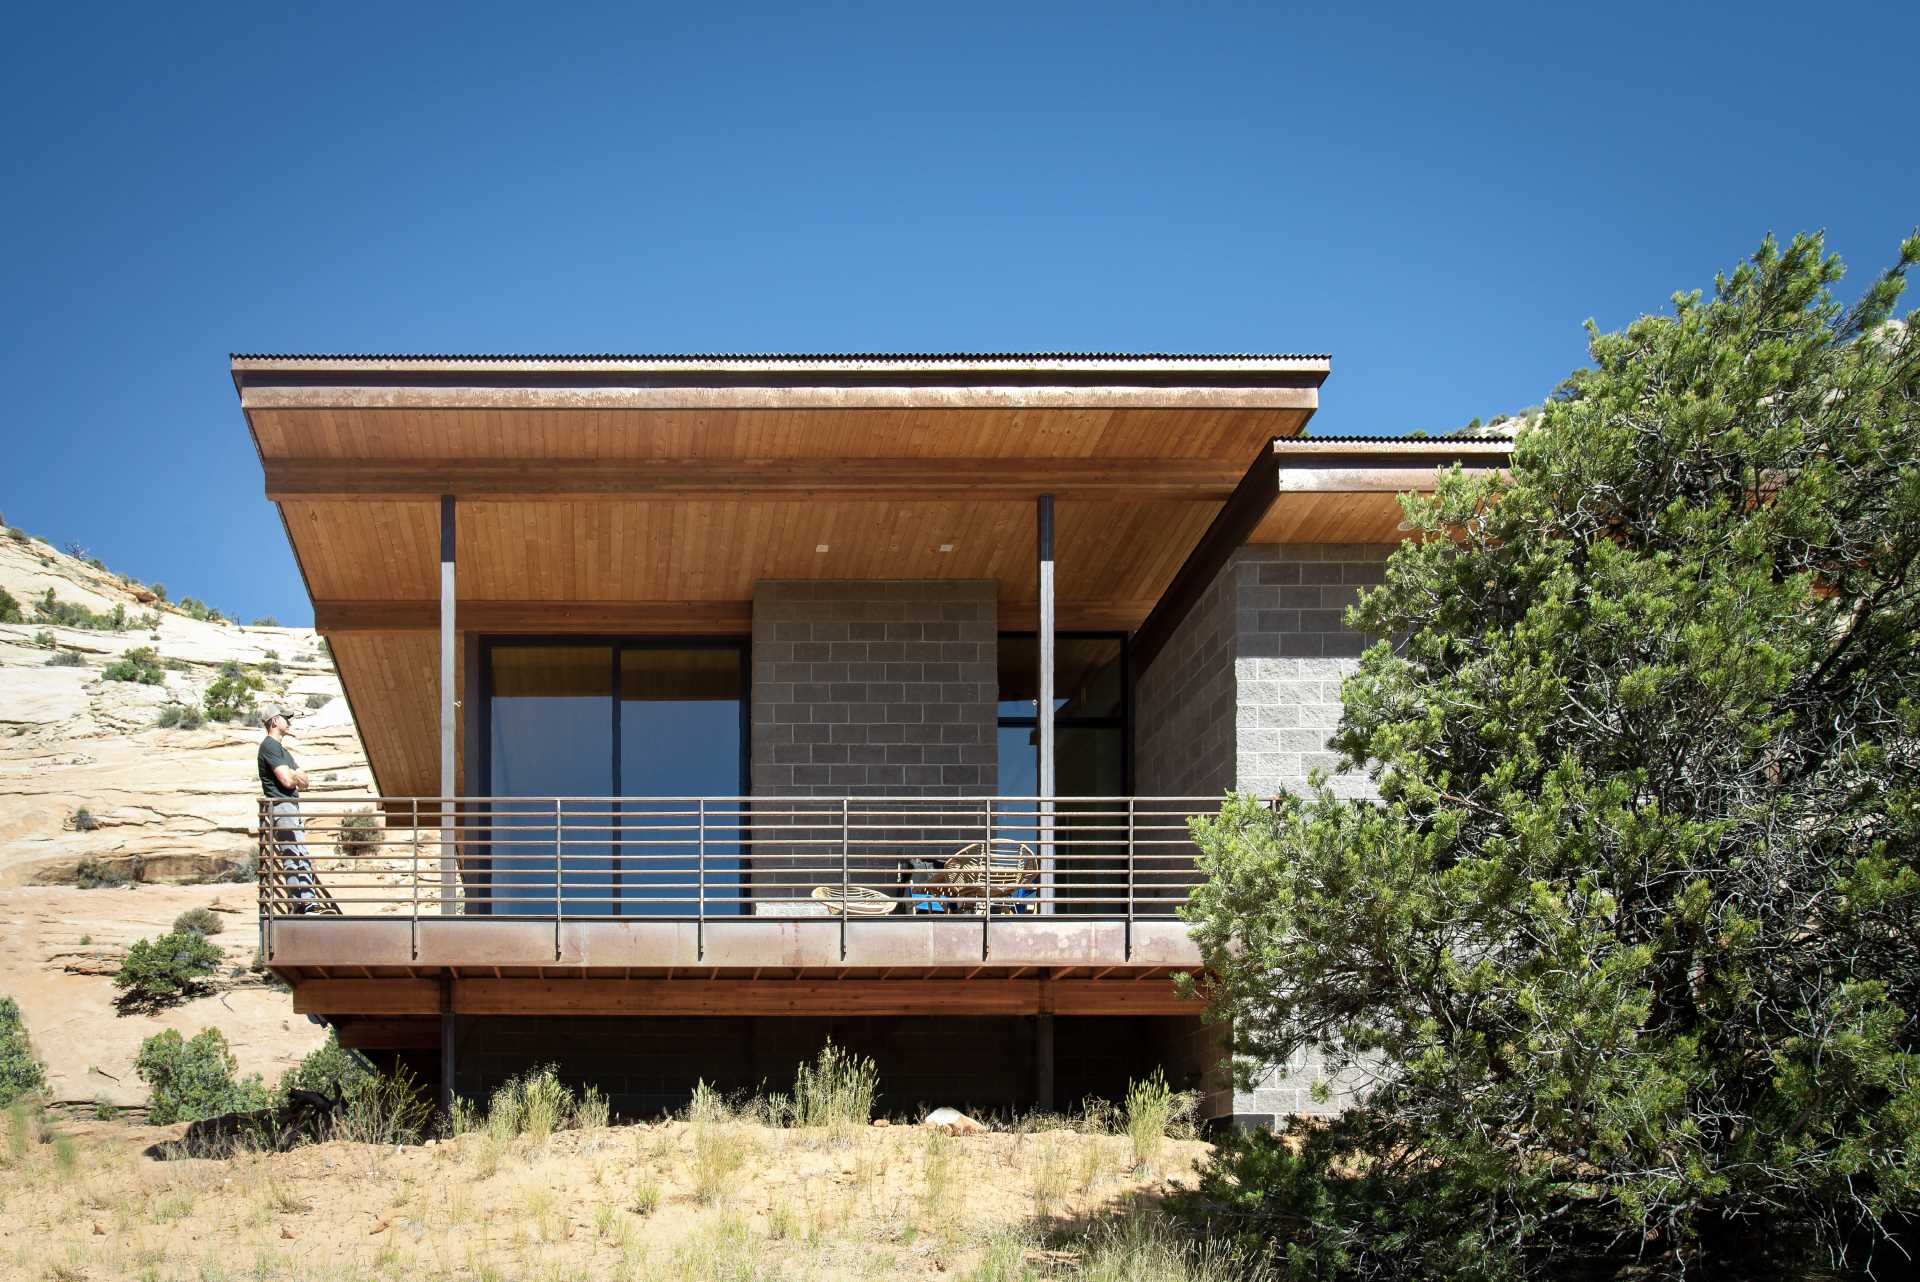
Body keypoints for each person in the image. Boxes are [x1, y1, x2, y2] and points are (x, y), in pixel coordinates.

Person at [258, 708, 317, 911]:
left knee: (300, 853)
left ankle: (307, 902)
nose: (289, 722)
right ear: (275, 721)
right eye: (286, 718)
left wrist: (294, 775)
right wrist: (294, 775)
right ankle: (300, 903)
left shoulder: (282, 750)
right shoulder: (269, 746)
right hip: (282, 805)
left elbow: (305, 781)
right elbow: (288, 781)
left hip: (290, 806)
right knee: (293, 853)